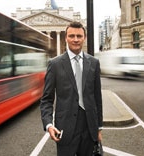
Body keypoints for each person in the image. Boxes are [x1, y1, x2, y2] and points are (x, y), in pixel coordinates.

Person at [40, 21, 103, 156]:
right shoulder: (55, 64)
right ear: (66, 38)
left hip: (89, 128)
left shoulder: (94, 63)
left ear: (84, 38)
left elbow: (97, 98)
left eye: (79, 36)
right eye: (72, 36)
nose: (75, 39)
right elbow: (46, 100)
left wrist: (98, 128)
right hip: (65, 129)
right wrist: (49, 125)